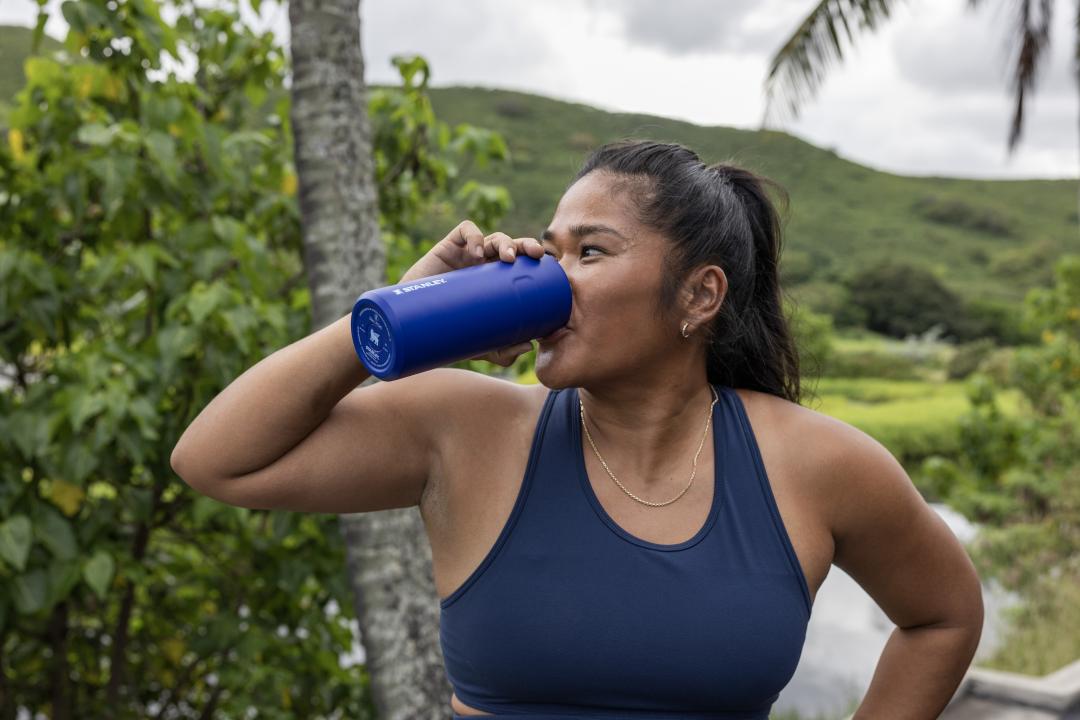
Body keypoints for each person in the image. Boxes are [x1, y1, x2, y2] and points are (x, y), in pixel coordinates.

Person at [171, 140, 985, 719]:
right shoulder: (468, 428)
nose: (551, 278)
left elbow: (943, 615)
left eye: (590, 252)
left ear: (699, 297)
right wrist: (404, 310)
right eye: (548, 251)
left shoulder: (814, 462)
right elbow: (217, 460)